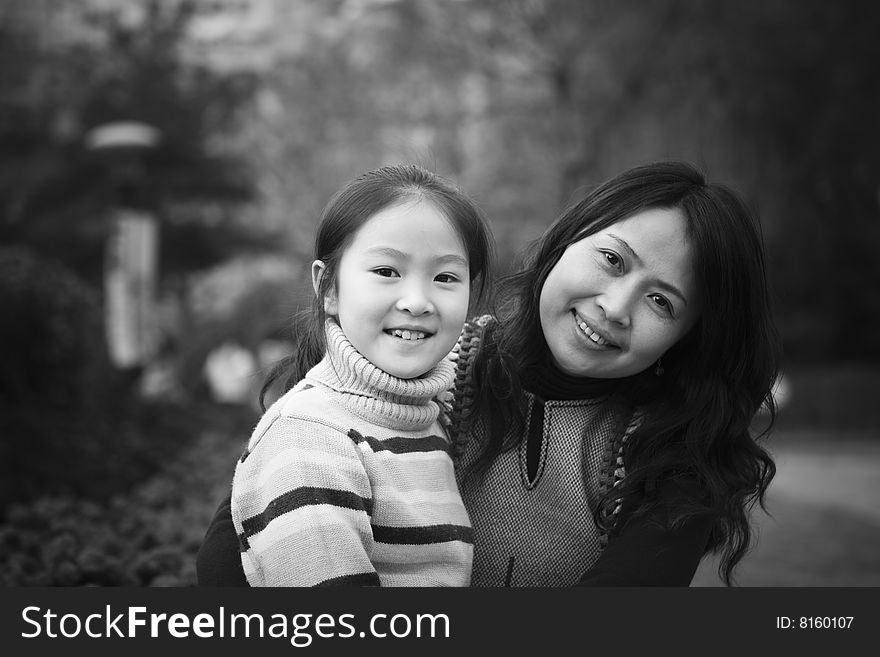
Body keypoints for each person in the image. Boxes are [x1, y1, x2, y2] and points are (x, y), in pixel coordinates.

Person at [197, 161, 780, 587]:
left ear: (688, 337)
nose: (615, 306)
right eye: (612, 260)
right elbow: (245, 537)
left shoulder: (674, 456)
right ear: (565, 241)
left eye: (662, 302)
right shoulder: (418, 368)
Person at [226, 164, 493, 586]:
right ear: (329, 287)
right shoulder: (309, 437)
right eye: (387, 271)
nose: (417, 301)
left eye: (445, 277)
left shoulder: (433, 418)